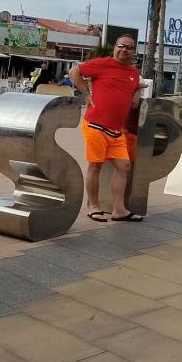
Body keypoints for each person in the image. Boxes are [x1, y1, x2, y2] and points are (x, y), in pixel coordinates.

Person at [70, 36, 143, 222]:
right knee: (95, 166)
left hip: (117, 130)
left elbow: (134, 102)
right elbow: (74, 72)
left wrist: (138, 90)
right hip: (96, 125)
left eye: (129, 48)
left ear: (134, 52)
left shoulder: (133, 73)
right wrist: (86, 94)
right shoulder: (102, 64)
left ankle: (119, 210)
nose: (124, 50)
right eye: (121, 46)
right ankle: (93, 207)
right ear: (115, 48)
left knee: (124, 167)